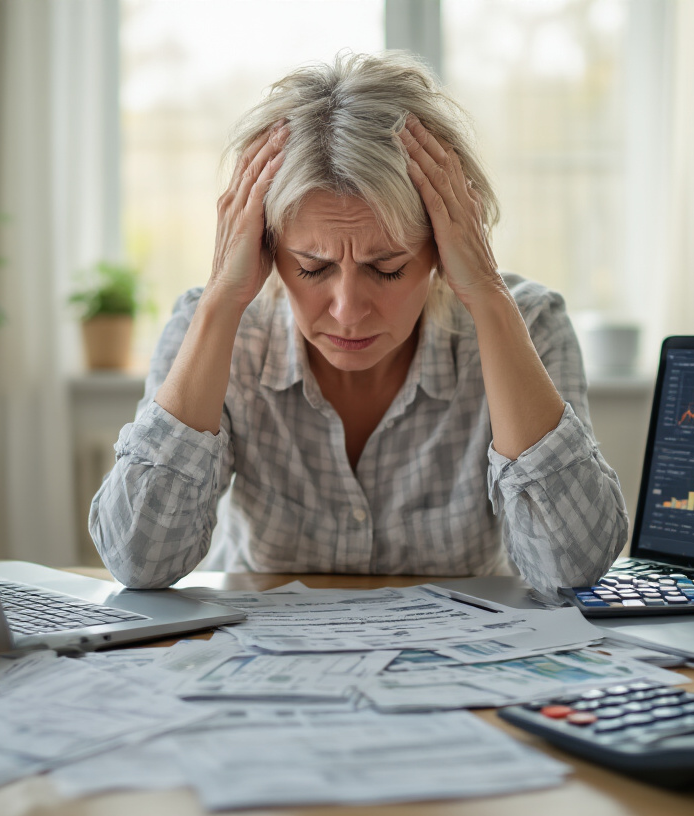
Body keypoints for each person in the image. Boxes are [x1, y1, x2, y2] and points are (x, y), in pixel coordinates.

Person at [89, 51, 627, 597]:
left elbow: (572, 568)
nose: (347, 310)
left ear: (444, 249)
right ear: (268, 250)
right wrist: (221, 301)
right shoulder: (214, 329)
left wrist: (487, 297)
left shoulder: (529, 324)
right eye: (312, 267)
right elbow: (138, 562)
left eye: (387, 269)